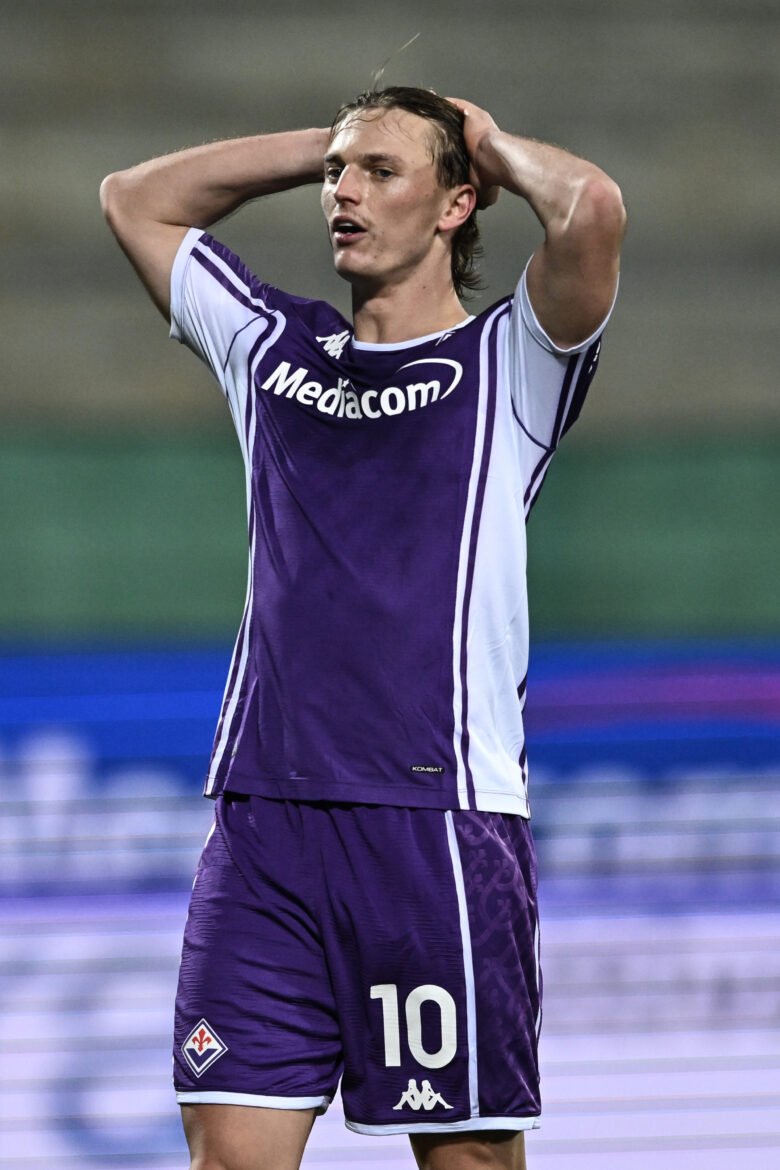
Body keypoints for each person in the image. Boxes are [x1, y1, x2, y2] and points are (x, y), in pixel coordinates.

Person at [100, 86, 625, 1170]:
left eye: (381, 174)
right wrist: (331, 143)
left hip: (437, 826)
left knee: (468, 1159)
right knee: (228, 1157)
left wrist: (486, 144)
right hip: (266, 825)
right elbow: (135, 199)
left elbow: (592, 210)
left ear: (455, 205)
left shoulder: (509, 364)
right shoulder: (271, 347)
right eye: (340, 174)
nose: (345, 191)